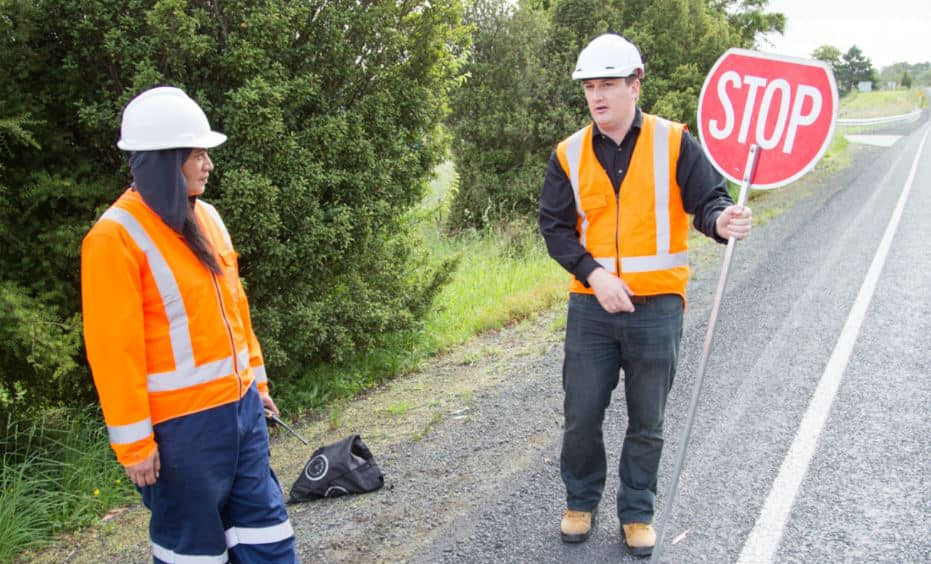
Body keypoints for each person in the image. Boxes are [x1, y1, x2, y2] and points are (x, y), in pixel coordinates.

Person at [538, 34, 752, 556]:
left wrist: (723, 220)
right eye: (590, 86)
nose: (597, 96)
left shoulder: (673, 142)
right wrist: (595, 275)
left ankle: (637, 513)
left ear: (636, 84)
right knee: (582, 414)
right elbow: (555, 227)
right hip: (591, 308)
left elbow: (709, 202)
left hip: (657, 308)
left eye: (608, 84)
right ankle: (579, 502)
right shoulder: (568, 154)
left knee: (647, 419)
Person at [81, 86, 299, 563]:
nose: (209, 164)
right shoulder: (113, 238)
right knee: (193, 553)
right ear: (165, 159)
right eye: (197, 153)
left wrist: (258, 386)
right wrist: (135, 445)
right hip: (180, 434)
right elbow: (113, 352)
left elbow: (236, 312)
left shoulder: (210, 219)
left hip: (242, 414)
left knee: (268, 536)